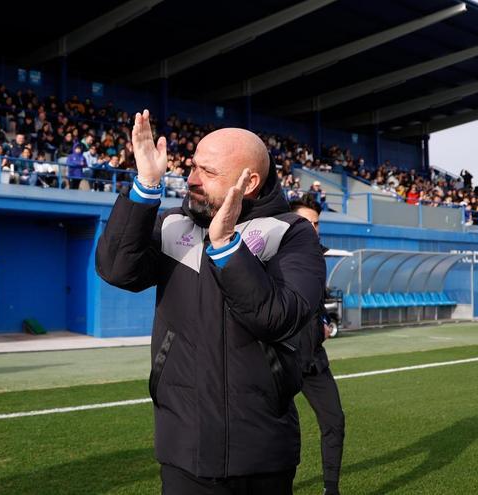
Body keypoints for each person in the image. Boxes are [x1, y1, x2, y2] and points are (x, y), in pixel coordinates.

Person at [96, 110, 325, 494]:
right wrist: (146, 186)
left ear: (249, 182)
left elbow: (276, 318)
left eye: (208, 172)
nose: (191, 179)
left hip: (263, 451)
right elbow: (117, 270)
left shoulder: (291, 233)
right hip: (184, 447)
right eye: (192, 167)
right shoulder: (172, 224)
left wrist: (226, 247)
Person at [289, 196, 346, 495]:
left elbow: (318, 300)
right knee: (280, 431)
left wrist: (323, 320)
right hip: (282, 357)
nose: (312, 229)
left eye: (316, 223)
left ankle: (331, 490)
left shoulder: (318, 256)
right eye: (305, 223)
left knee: (334, 421)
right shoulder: (274, 254)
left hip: (314, 358)